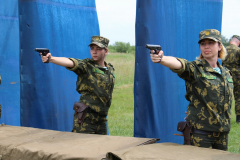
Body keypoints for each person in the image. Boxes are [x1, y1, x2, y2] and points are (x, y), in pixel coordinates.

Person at [150, 29, 233, 151]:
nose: (206, 46)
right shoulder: (195, 68)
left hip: (222, 134)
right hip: (201, 134)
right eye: (203, 43)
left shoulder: (226, 73)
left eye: (211, 42)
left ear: (220, 46)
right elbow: (181, 64)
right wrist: (162, 58)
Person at [41, 36, 115, 135]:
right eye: (92, 48)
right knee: (81, 148)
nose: (94, 51)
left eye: (98, 49)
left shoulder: (110, 69)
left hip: (101, 120)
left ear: (106, 51)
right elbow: (71, 62)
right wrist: (51, 58)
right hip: (86, 119)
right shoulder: (86, 65)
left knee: (102, 149)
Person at [222, 35, 240, 123]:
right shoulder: (238, 50)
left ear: (230, 41)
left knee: (225, 96)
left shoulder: (224, 50)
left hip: (226, 75)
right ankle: (238, 118)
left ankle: (225, 117)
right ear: (238, 42)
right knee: (238, 97)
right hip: (237, 76)